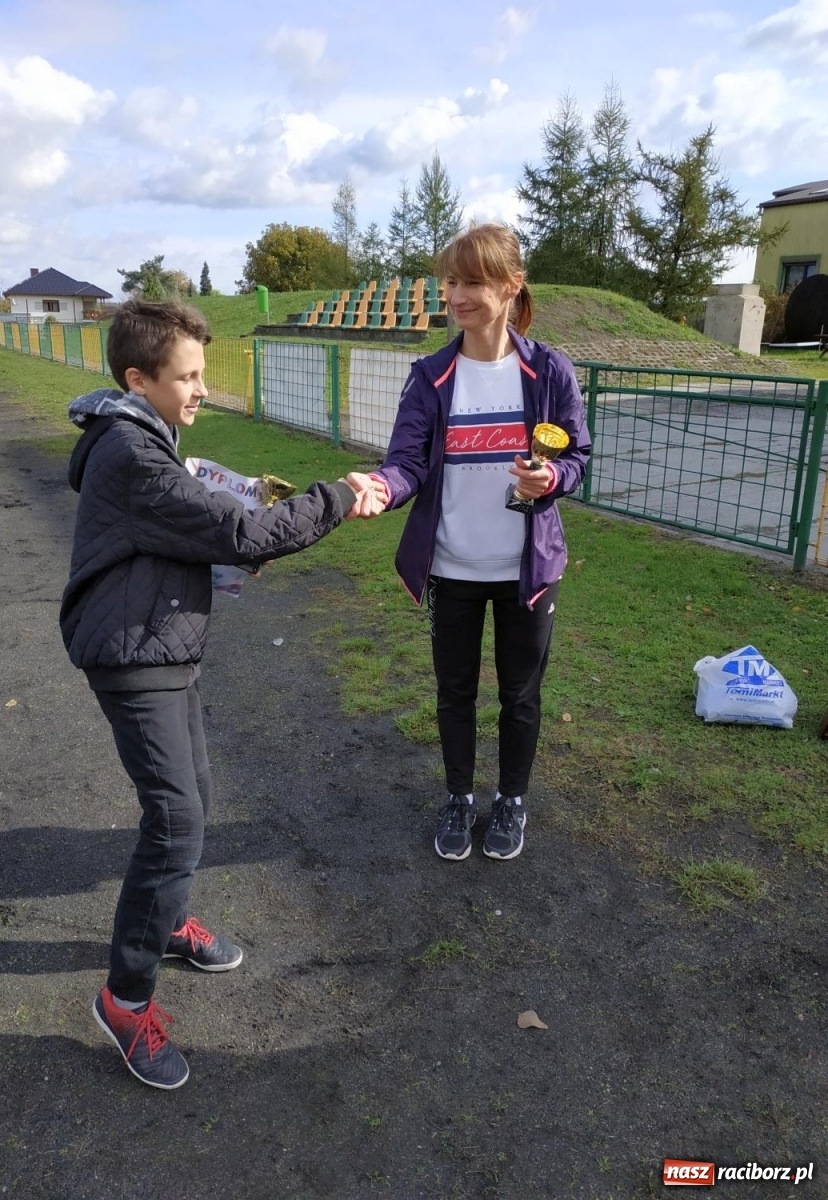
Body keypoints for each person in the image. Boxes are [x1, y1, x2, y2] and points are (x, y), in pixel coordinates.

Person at [60, 297, 381, 1090]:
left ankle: (165, 923)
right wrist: (339, 495)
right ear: (139, 379)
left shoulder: (144, 437)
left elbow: (209, 529)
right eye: (189, 376)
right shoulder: (132, 455)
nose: (202, 389)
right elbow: (242, 535)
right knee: (175, 820)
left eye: (203, 372)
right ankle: (125, 1000)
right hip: (134, 655)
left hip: (161, 641)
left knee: (192, 798)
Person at [348, 224, 591, 863]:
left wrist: (552, 477)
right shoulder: (431, 375)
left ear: (511, 286)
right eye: (450, 281)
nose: (456, 294)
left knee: (521, 694)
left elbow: (578, 458)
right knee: (454, 692)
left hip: (527, 571)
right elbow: (406, 462)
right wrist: (380, 486)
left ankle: (511, 801)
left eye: (473, 282)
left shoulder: (549, 371)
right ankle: (459, 797)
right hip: (452, 568)